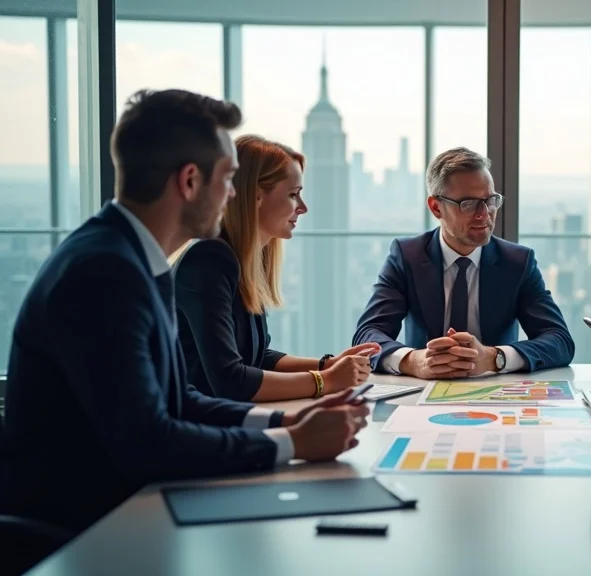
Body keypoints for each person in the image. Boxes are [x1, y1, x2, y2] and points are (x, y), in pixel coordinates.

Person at [0, 89, 369, 536]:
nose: (234, 194)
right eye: (230, 178)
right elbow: (148, 442)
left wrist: (286, 421)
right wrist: (291, 443)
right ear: (190, 181)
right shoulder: (104, 273)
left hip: (129, 506)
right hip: (86, 530)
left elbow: (180, 402)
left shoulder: (136, 259)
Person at [172, 134, 379, 402]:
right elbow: (230, 380)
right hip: (196, 430)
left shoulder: (240, 259)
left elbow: (258, 358)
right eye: (293, 195)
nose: (302, 208)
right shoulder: (208, 261)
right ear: (255, 196)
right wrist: (325, 381)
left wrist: (327, 365)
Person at [353, 147, 574, 378]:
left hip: (496, 392)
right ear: (436, 207)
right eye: (469, 204)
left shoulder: (518, 262)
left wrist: (494, 358)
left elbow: (559, 341)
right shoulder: (407, 256)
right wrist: (413, 361)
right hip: (421, 392)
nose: (484, 214)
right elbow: (368, 334)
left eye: (490, 201)